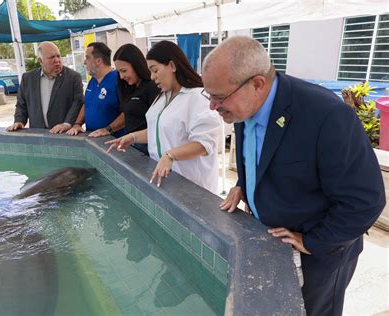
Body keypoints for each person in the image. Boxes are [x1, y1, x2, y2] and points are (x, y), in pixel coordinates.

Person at [201, 35, 385, 315]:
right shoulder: (242, 108)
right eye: (209, 95)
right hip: (272, 241)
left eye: (218, 97)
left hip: (318, 255)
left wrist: (314, 242)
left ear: (257, 83)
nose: (212, 106)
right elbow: (262, 157)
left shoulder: (326, 116)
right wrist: (244, 184)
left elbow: (366, 201)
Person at [106, 41, 222, 194]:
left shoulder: (197, 97)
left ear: (172, 66)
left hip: (192, 187)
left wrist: (171, 156)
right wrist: (131, 137)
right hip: (166, 183)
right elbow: (159, 131)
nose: (152, 77)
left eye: (155, 70)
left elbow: (204, 144)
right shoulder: (163, 97)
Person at [6, 41, 83, 133]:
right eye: (51, 57)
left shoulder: (73, 77)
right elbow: (22, 105)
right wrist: (19, 121)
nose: (57, 60)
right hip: (38, 135)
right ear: (40, 61)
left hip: (64, 135)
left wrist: (67, 124)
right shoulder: (28, 78)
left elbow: (77, 103)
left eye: (58, 56)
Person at [66, 42, 125, 138]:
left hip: (114, 142)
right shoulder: (92, 82)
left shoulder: (119, 80)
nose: (84, 62)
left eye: (87, 58)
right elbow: (87, 104)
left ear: (98, 61)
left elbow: (128, 113)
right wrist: (77, 124)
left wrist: (108, 129)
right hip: (93, 141)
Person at [113, 43, 160, 155]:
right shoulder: (129, 87)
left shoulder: (151, 86)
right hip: (133, 145)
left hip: (148, 148)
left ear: (136, 65)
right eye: (119, 71)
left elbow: (159, 124)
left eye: (124, 71)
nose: (121, 76)